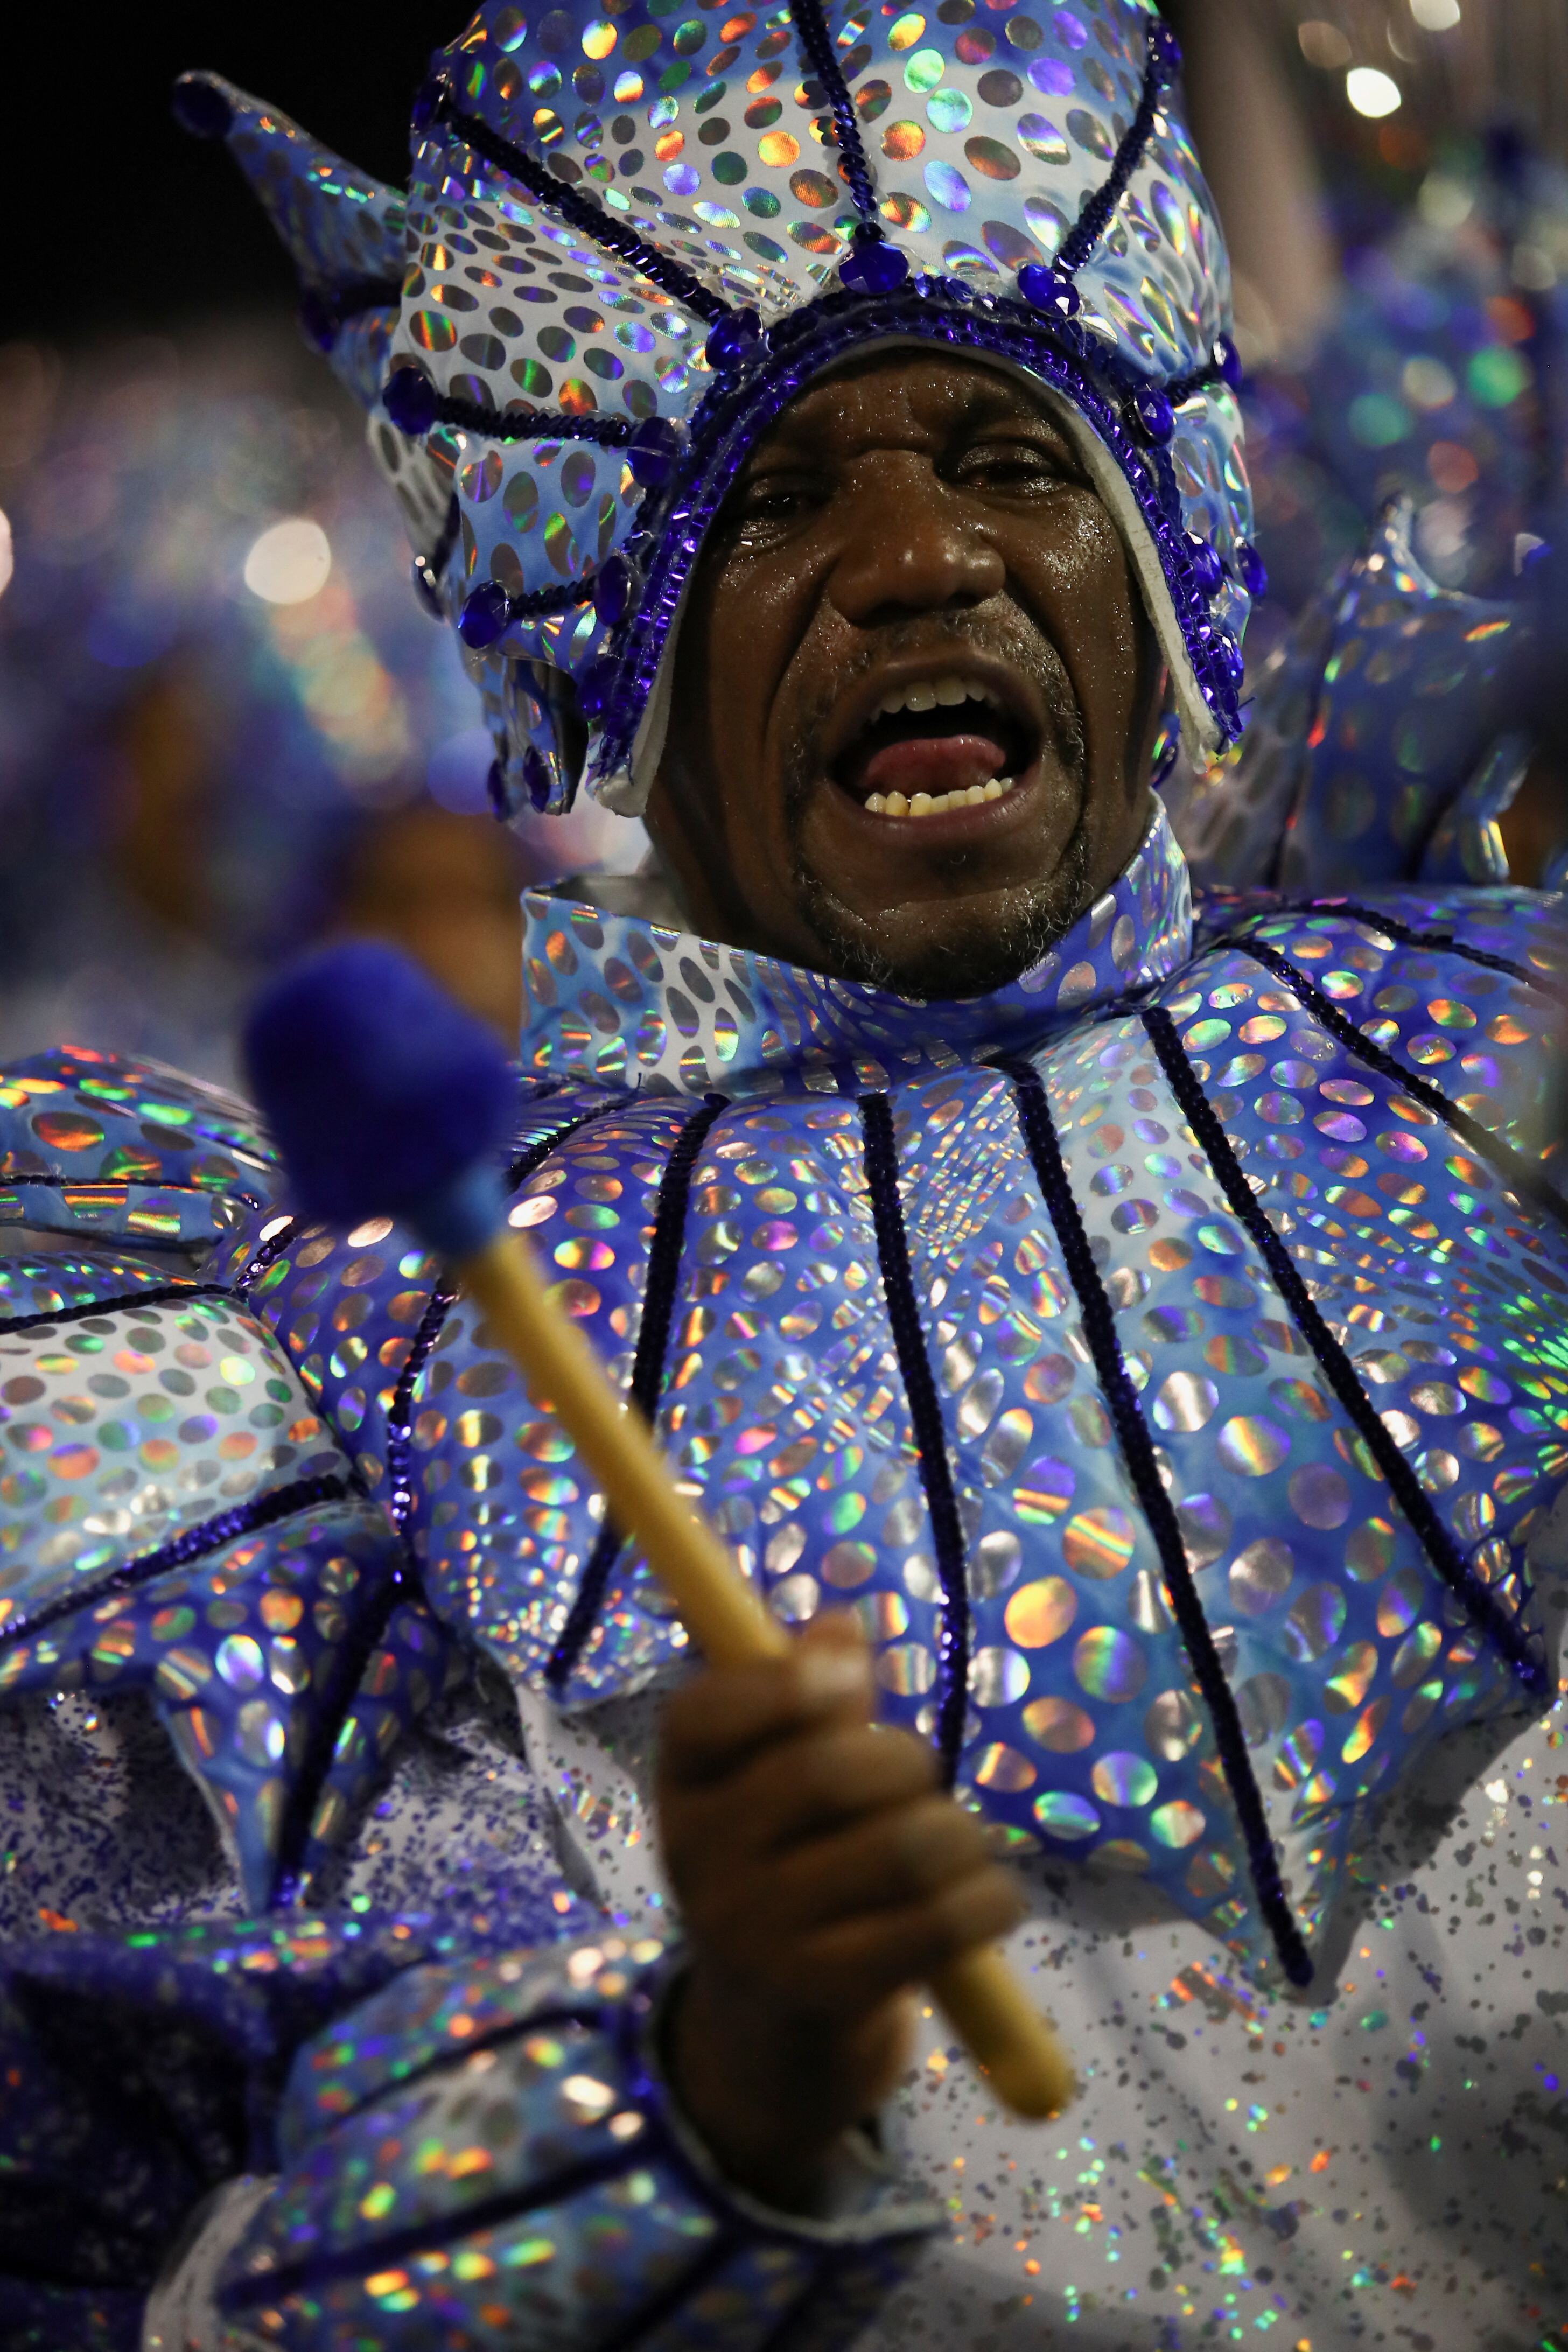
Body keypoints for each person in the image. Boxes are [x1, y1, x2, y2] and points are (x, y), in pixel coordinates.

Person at [2, 6, 1565, 2350]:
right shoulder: (369, 1404)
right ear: (605, 645)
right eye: (767, 496)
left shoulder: (1513, 1121)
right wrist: (708, 2096)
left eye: (1008, 455)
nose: (916, 556)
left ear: (1162, 571)